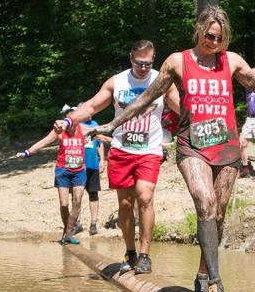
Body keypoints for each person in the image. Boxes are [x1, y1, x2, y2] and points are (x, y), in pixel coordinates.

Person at [63, 6, 255, 292]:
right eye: (210, 35)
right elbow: (145, 99)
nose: (214, 42)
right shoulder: (177, 61)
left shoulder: (233, 61)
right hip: (192, 145)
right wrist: (111, 125)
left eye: (221, 38)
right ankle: (215, 281)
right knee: (205, 202)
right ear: (199, 29)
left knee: (218, 214)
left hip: (226, 147)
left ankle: (202, 274)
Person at [54, 40, 180, 275]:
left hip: (149, 150)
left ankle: (144, 255)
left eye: (148, 63)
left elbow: (183, 108)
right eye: (139, 63)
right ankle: (130, 252)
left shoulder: (162, 81)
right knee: (124, 203)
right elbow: (91, 106)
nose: (143, 68)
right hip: (122, 150)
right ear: (131, 58)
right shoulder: (117, 81)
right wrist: (69, 120)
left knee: (145, 196)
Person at [17, 106, 86, 245]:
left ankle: (68, 232)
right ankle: (68, 230)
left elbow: (101, 134)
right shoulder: (59, 131)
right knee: (64, 204)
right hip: (62, 170)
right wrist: (27, 152)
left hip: (79, 170)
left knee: (77, 201)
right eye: (66, 119)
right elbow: (44, 141)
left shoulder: (84, 129)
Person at [71, 111, 106, 237]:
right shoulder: (76, 125)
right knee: (76, 195)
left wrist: (102, 160)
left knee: (93, 193)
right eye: (86, 111)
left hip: (92, 164)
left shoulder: (95, 125)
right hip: (78, 164)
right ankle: (77, 223)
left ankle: (93, 224)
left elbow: (100, 143)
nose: (89, 113)